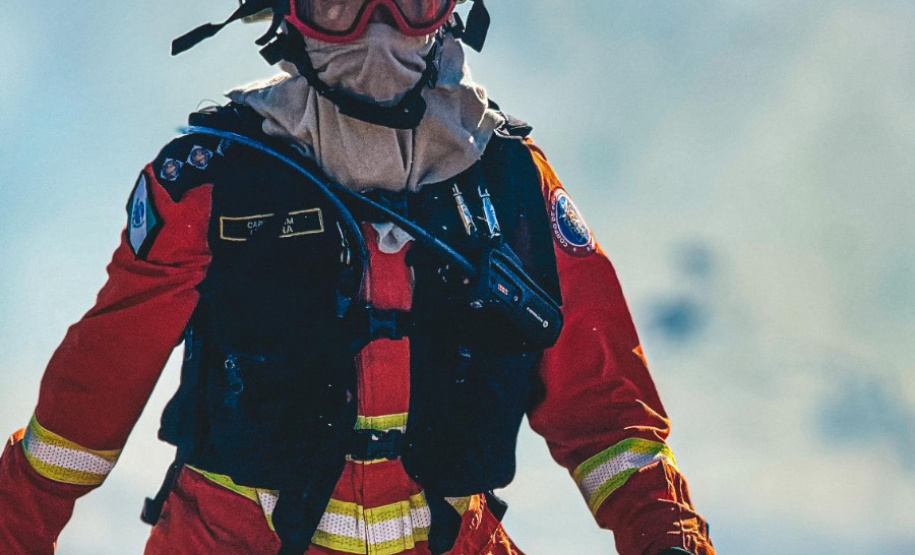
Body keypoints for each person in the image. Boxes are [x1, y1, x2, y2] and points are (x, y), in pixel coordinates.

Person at [0, 1, 716, 554]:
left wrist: (668, 535)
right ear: (285, 11)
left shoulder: (511, 184)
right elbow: (86, 402)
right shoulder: (211, 179)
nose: (379, 29)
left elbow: (608, 416)